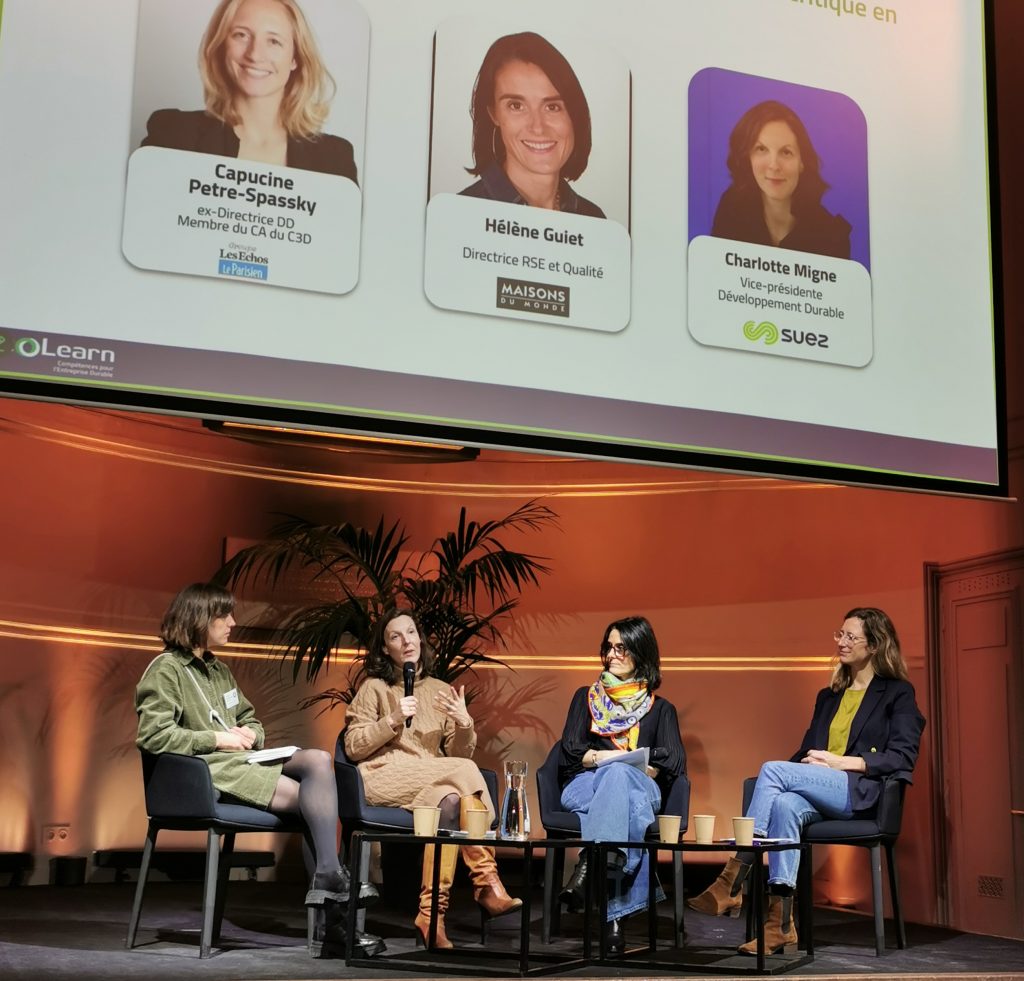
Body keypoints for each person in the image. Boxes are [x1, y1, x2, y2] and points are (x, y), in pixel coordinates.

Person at [135, 583, 382, 957]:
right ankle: (335, 924)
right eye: (225, 616)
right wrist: (217, 739)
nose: (233, 622)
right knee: (315, 806)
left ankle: (329, 878)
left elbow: (250, 718)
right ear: (201, 619)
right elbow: (154, 735)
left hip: (239, 759)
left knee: (316, 761)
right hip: (206, 771)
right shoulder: (165, 670)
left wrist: (252, 732)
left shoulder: (218, 670)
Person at [688, 607, 925, 955]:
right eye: (839, 634)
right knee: (783, 803)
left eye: (849, 636)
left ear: (873, 645)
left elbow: (902, 756)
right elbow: (804, 752)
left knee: (773, 769)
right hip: (822, 792)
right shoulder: (829, 696)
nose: (840, 642)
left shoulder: (897, 693)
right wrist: (803, 769)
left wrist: (838, 761)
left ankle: (732, 880)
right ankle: (780, 925)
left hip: (859, 793)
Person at [343, 607, 522, 949]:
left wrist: (464, 722)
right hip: (385, 775)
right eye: (395, 636)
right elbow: (353, 747)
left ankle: (430, 918)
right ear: (385, 648)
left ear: (420, 639)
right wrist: (392, 719)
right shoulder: (374, 688)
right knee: (467, 776)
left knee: (455, 800)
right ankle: (486, 879)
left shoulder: (441, 689)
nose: (405, 641)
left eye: (410, 632)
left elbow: (459, 755)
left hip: (432, 780)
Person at [556, 616, 686, 955]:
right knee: (617, 782)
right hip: (584, 786)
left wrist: (630, 765)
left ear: (640, 653)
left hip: (641, 789)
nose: (612, 655)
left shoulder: (661, 709)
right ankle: (613, 902)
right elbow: (569, 752)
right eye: (608, 648)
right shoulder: (585, 698)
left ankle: (591, 865)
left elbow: (673, 762)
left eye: (621, 648)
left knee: (620, 779)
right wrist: (607, 761)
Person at [141, 0, 357, 181]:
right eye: (241, 35)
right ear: (221, 46)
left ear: (295, 59)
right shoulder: (172, 136)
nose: (255, 54)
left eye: (273, 41)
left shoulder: (335, 160)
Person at [458, 32, 605, 217]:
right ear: (493, 114)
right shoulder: (460, 216)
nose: (538, 127)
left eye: (552, 107)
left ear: (574, 115)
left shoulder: (593, 219)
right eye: (516, 106)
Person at [711, 100, 849, 259]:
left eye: (786, 152)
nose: (774, 165)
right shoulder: (731, 209)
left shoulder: (832, 237)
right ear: (748, 157)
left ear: (802, 162)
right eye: (761, 149)